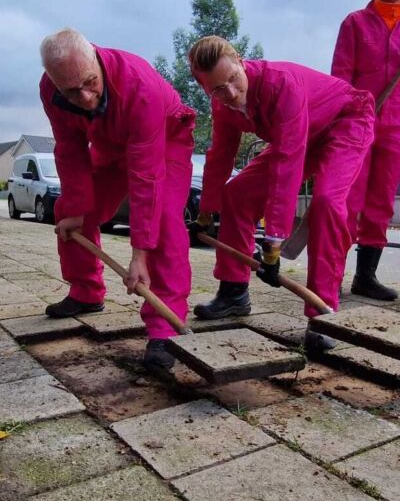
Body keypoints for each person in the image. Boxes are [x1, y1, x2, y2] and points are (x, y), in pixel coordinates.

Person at [188, 35, 375, 350]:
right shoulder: (223, 107)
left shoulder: (280, 85)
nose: (231, 93)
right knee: (236, 194)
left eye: (234, 79)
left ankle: (322, 316)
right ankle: (233, 293)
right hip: (305, 134)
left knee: (328, 202)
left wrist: (273, 241)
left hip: (346, 121)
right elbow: (219, 156)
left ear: (241, 62)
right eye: (218, 89)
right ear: (204, 87)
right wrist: (206, 211)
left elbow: (287, 166)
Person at [39, 28, 195, 369]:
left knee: (164, 223)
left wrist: (139, 253)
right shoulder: (50, 91)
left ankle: (162, 328)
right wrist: (79, 208)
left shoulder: (140, 87)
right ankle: (86, 292)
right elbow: (70, 148)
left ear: (95, 57)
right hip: (111, 145)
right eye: (71, 91)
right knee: (69, 209)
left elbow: (146, 177)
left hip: (165, 140)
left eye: (90, 83)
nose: (86, 98)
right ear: (53, 82)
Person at [332, 0, 400, 301]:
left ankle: (366, 277)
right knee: (347, 200)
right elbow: (340, 77)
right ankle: (331, 276)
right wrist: (341, 119)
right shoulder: (355, 23)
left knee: (381, 201)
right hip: (357, 125)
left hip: (396, 129)